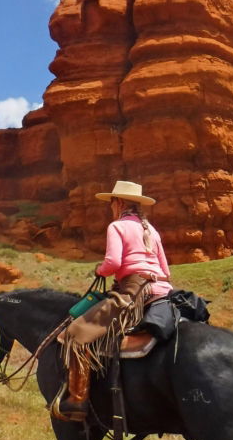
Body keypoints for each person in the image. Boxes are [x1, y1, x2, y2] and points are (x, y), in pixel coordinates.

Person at [55, 180, 173, 422]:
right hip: (163, 291)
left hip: (134, 292)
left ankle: (77, 400)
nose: (111, 207)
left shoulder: (117, 226)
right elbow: (166, 271)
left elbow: (114, 263)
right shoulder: (151, 230)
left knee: (75, 334)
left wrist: (100, 270)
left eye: (111, 202)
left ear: (118, 202)